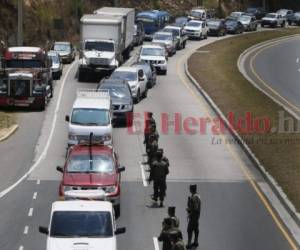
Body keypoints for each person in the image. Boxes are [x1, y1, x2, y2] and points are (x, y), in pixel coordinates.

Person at [186, 184, 201, 249]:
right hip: (197, 216)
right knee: (195, 229)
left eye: (190, 188)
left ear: (191, 189)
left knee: (189, 229)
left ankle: (189, 243)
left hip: (193, 216)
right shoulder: (198, 196)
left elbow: (195, 207)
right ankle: (196, 241)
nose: (189, 189)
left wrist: (189, 211)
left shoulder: (193, 197)